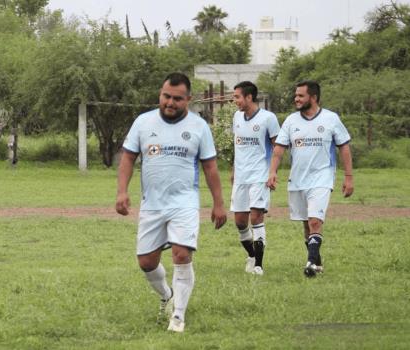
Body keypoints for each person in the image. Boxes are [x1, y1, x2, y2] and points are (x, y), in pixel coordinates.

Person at [116, 73, 227, 333]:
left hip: (184, 202)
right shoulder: (143, 123)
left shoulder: (199, 127)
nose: (170, 102)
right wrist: (122, 191)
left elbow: (210, 168)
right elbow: (128, 159)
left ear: (188, 99)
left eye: (177, 98)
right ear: (160, 94)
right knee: (146, 262)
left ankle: (178, 317)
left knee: (181, 254)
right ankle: (167, 296)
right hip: (152, 204)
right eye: (166, 96)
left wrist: (218, 204)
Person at [267, 80, 353, 277]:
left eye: (300, 96)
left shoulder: (331, 119)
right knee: (306, 224)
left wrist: (349, 177)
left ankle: (310, 264)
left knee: (315, 221)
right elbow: (279, 149)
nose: (296, 99)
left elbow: (344, 147)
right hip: (297, 179)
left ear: (313, 97)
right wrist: (272, 172)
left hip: (322, 178)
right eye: (296, 95)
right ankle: (318, 262)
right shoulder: (291, 121)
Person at [230, 81, 280, 275]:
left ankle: (259, 265)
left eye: (237, 97)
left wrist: (272, 172)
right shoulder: (237, 117)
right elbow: (238, 145)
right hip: (241, 176)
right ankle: (251, 255)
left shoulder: (268, 118)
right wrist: (234, 169)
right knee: (240, 222)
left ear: (249, 97)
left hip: (260, 175)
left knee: (256, 216)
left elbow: (278, 146)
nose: (235, 101)